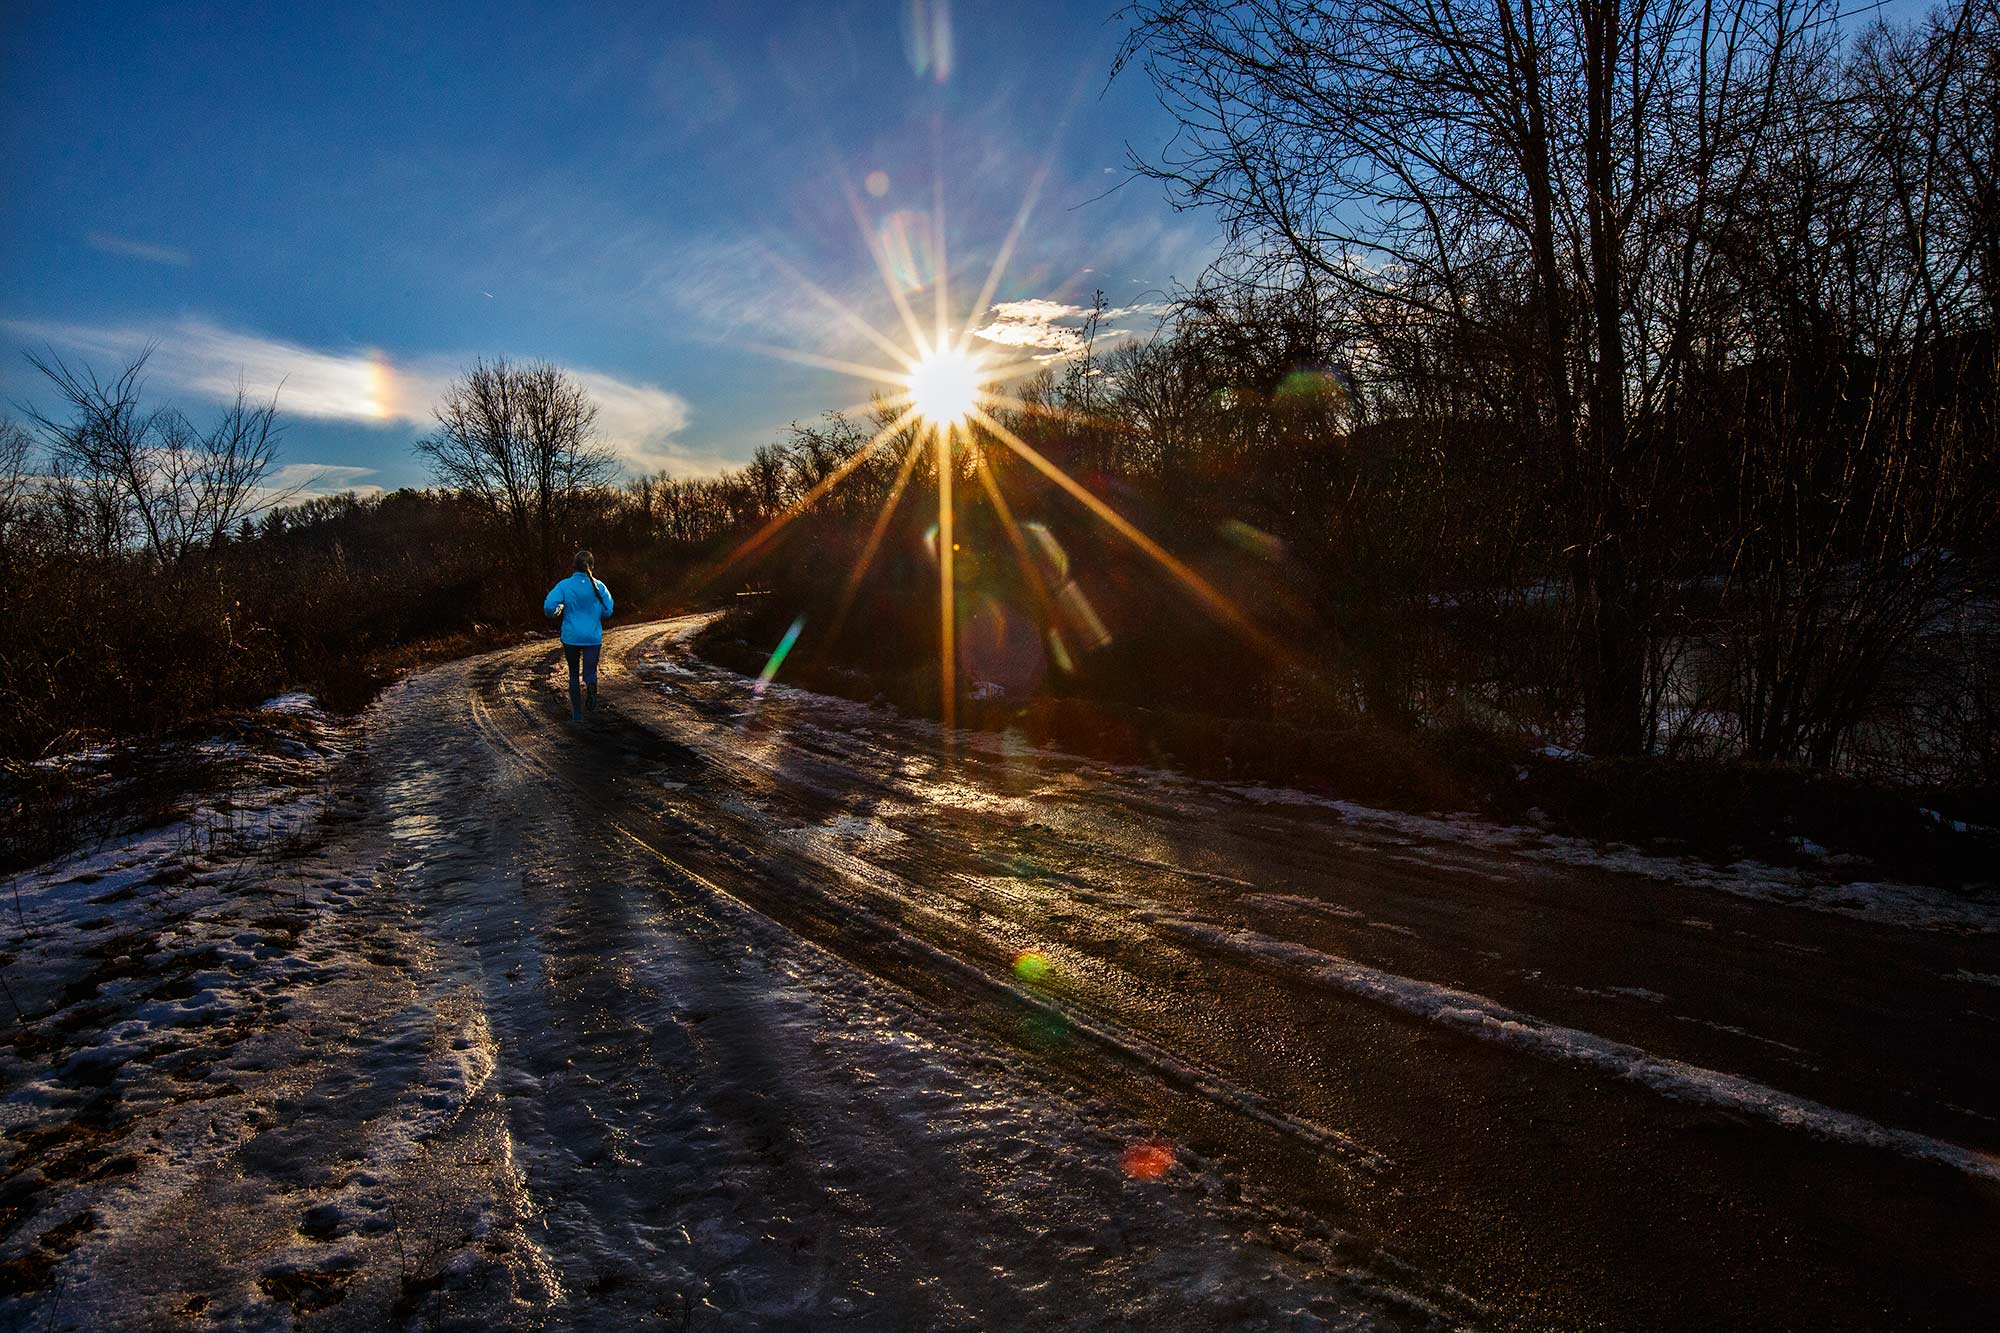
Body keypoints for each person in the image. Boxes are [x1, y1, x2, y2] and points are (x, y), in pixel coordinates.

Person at [543, 550, 615, 722]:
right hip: (592, 637)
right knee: (590, 672)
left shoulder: (564, 585)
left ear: (573, 566)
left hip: (571, 637)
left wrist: (559, 609)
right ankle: (591, 686)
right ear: (591, 566)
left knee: (574, 674)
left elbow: (548, 607)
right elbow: (608, 611)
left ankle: (577, 715)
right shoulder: (599, 586)